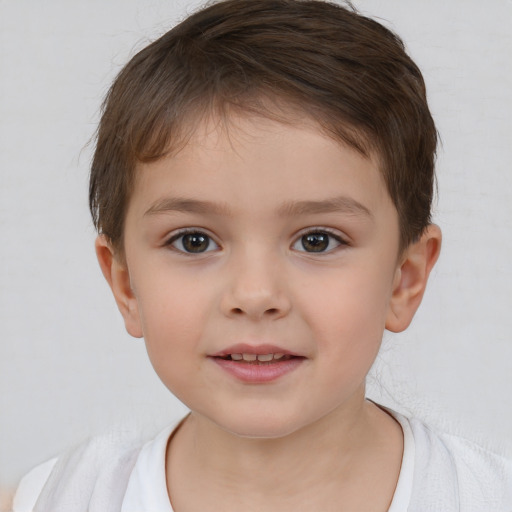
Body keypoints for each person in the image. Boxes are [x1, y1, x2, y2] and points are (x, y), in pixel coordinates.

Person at [12, 0, 512, 510]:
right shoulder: (57, 498)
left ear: (404, 279)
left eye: (317, 240)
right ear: (125, 285)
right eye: (194, 241)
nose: (255, 295)